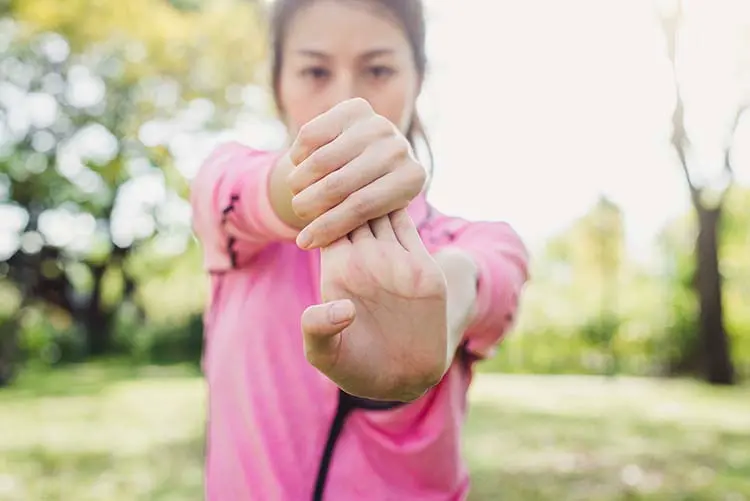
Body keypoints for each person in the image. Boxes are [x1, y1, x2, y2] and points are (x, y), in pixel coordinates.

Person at [189, 0, 530, 499]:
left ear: (419, 78)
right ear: (278, 84)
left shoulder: (477, 240)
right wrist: (305, 184)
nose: (347, 102)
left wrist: (443, 301)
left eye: (377, 69)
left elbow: (489, 280)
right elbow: (228, 192)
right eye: (315, 71)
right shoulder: (237, 202)